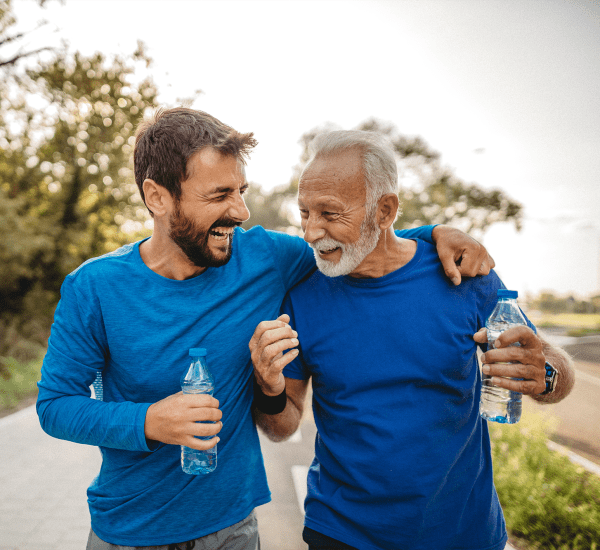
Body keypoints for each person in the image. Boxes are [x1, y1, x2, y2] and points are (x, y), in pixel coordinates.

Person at [37, 107, 495, 550]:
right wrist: (148, 421)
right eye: (219, 195)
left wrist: (436, 234)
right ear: (157, 197)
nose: (241, 211)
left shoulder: (266, 259)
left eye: (241, 190)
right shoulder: (93, 288)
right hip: (127, 529)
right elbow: (55, 406)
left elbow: (359, 241)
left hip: (231, 530)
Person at [249, 130, 575, 550]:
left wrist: (545, 376)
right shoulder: (302, 296)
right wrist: (270, 388)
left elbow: (553, 371)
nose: (311, 231)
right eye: (305, 213)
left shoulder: (463, 275)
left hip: (465, 534)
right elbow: (283, 424)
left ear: (385, 211)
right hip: (342, 534)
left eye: (329, 214)